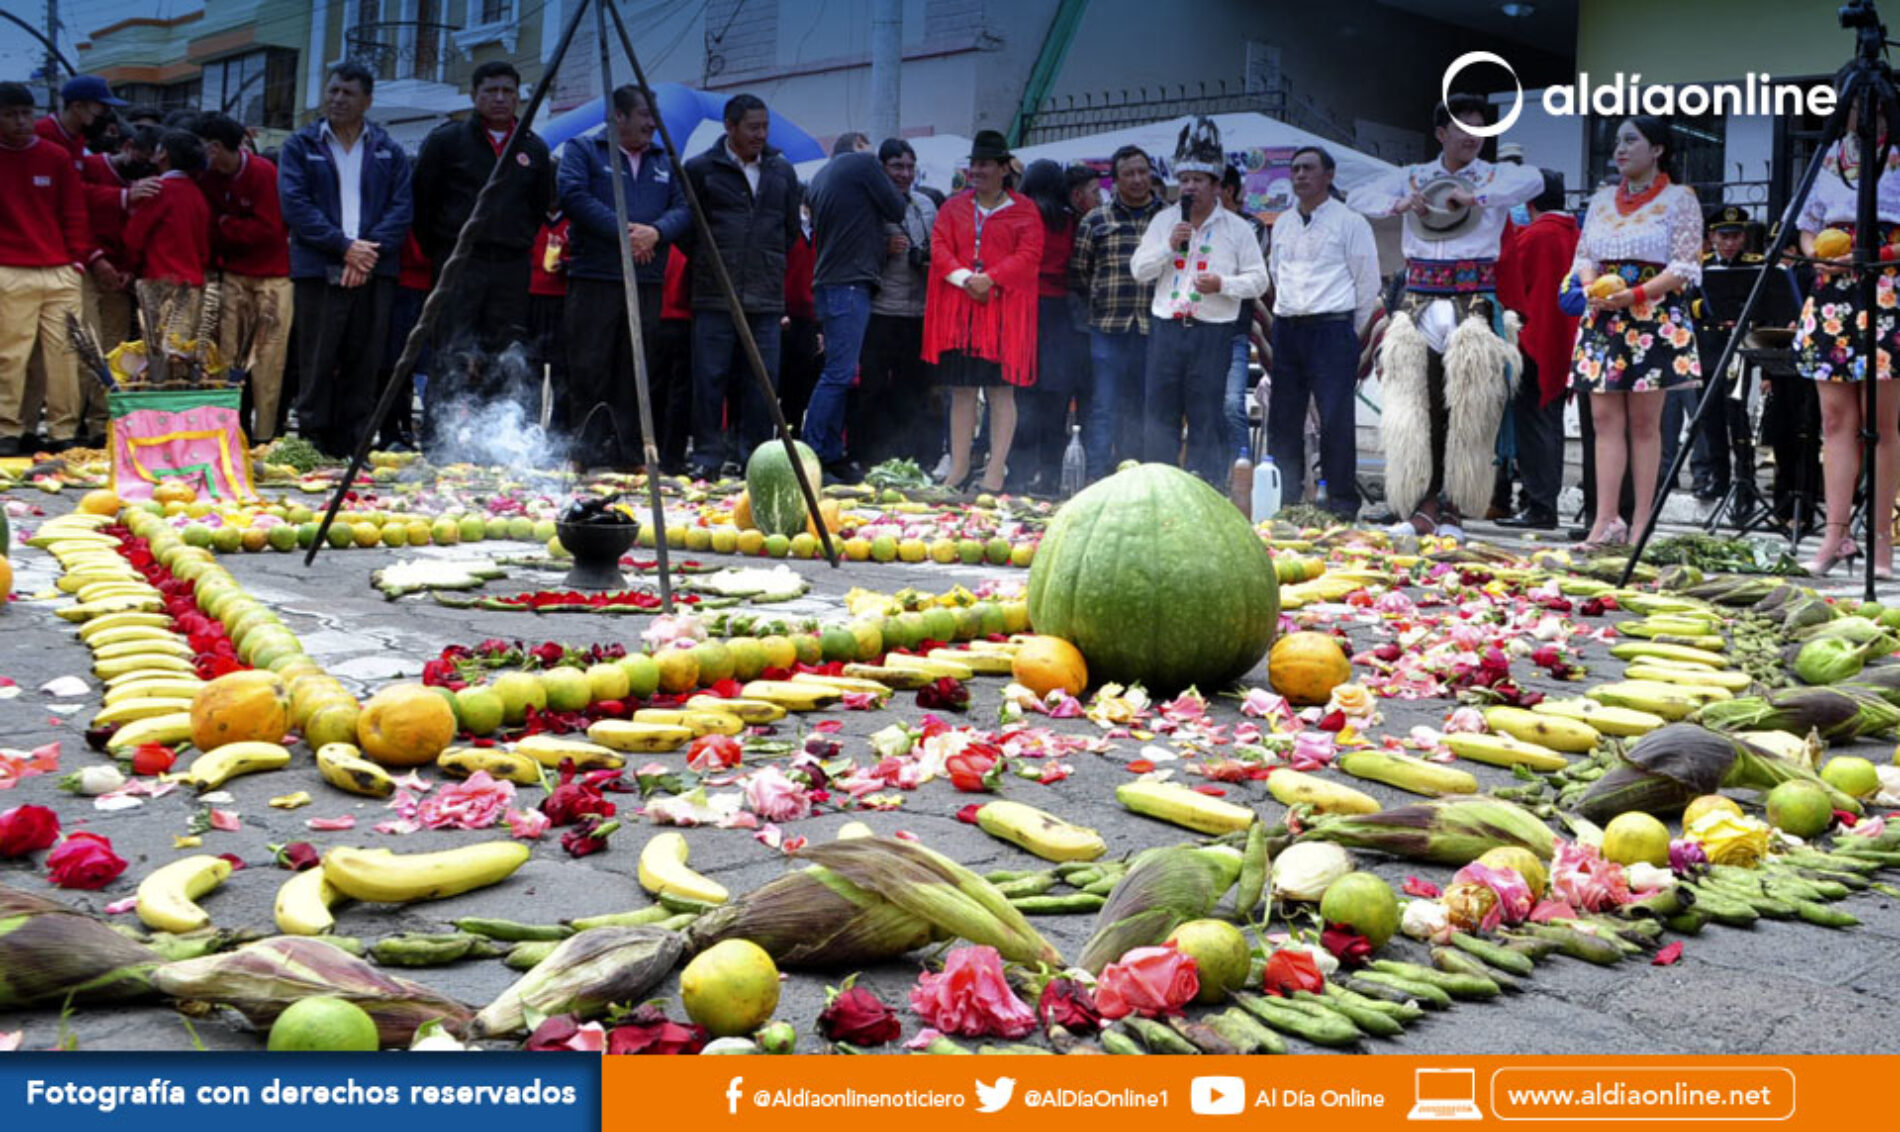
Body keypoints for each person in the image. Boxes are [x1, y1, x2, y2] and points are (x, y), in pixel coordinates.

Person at [1351, 94, 1542, 541]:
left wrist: (1474, 197)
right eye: (1462, 128)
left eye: (1479, 129)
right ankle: (1424, 505)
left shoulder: (1493, 176)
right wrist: (1400, 204)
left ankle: (1455, 509)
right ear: (1441, 133)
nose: (1472, 137)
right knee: (1418, 409)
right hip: (1419, 301)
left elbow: (1533, 180)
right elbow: (1358, 194)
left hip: (1472, 302)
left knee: (1470, 412)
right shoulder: (1415, 176)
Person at [1568, 116, 1703, 551]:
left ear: (1658, 149)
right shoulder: (1602, 200)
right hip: (1605, 313)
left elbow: (1684, 266)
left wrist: (1637, 294)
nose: (1620, 150)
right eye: (1616, 142)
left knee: (1645, 423)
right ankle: (1606, 520)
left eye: (1631, 140)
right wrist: (1592, 287)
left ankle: (1642, 521)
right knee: (1603, 420)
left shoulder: (1680, 198)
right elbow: (1584, 256)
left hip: (1652, 314)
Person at [278, 62, 415, 458]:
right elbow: (296, 205)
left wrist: (364, 253)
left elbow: (401, 209)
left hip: (374, 269)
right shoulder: (301, 145)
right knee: (317, 359)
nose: (337, 99)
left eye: (348, 93)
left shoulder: (388, 150)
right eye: (333, 91)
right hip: (319, 268)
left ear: (367, 101)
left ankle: (354, 447)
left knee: (365, 360)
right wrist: (343, 247)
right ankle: (312, 446)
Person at [412, 61, 551, 446]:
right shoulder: (447, 141)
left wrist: (513, 237)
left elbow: (539, 205)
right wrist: (444, 248)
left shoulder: (533, 148)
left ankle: (491, 444)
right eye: (491, 90)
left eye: (508, 91)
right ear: (474, 95)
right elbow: (422, 200)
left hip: (510, 266)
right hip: (459, 263)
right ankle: (439, 442)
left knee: (503, 354)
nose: (500, 98)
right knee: (451, 351)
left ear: (518, 96)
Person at [558, 83, 691, 471]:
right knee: (589, 366)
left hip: (646, 279)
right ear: (619, 116)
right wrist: (625, 232)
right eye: (645, 115)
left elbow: (684, 209)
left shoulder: (665, 159)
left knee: (635, 368)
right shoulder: (583, 149)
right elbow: (574, 195)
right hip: (596, 277)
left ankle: (630, 455)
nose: (652, 124)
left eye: (654, 116)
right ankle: (581, 453)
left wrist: (656, 233)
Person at [1131, 117, 1270, 486]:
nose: (1189, 186)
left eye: (1198, 179)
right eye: (1184, 179)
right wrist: (1168, 247)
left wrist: (1223, 283)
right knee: (1159, 412)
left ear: (1217, 186)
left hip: (1213, 332)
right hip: (1167, 329)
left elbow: (1260, 280)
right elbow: (1139, 270)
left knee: (1207, 414)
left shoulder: (1238, 228)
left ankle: (1204, 486)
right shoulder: (1164, 221)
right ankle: (1157, 485)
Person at [1794, 111, 1900, 576]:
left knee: (1882, 423)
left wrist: (1873, 254)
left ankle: (1881, 539)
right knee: (1835, 420)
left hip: (1886, 283)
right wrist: (1816, 254)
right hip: (1833, 290)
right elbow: (1806, 226)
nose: (1864, 112)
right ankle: (1836, 533)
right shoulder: (1829, 158)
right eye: (1855, 104)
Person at [683, 94, 802, 479]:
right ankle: (707, 457)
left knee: (762, 381)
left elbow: (788, 231)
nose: (760, 134)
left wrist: (766, 259)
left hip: (765, 294)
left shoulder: (782, 171)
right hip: (714, 292)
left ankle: (754, 458)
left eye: (765, 126)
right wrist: (713, 261)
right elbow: (687, 230)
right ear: (729, 127)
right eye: (753, 127)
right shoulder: (701, 169)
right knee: (710, 378)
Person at [922, 129, 1043, 493]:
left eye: (985, 164)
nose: (976, 171)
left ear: (1004, 169)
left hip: (1002, 316)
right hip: (962, 315)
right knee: (961, 390)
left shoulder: (1024, 210)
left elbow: (1029, 254)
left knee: (1000, 392)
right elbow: (939, 246)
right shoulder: (953, 207)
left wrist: (990, 278)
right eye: (973, 164)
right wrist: (965, 279)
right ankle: (958, 468)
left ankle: (995, 471)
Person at [1264, 144, 1380, 516]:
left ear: (1329, 176)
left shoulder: (1350, 222)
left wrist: (1349, 333)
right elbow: (1276, 274)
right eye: (1295, 169)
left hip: (1332, 328)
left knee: (1335, 419)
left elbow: (1367, 285)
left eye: (1308, 168)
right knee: (1283, 419)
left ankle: (1341, 503)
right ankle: (1284, 500)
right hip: (1288, 328)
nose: (1300, 175)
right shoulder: (1282, 223)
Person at [803, 130, 907, 482]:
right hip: (849, 282)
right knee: (839, 373)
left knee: (839, 372)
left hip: (830, 281)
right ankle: (813, 454)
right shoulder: (860, 164)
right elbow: (897, 207)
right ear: (856, 150)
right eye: (871, 153)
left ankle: (831, 454)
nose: (877, 162)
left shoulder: (822, 176)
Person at [0, 82, 97, 456]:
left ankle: (63, 430)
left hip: (60, 270)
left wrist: (77, 261)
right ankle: (8, 429)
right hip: (9, 269)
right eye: (10, 115)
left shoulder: (55, 156)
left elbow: (74, 211)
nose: (20, 121)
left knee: (66, 354)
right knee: (10, 356)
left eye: (26, 113)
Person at [1071, 143, 1167, 479]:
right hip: (1107, 328)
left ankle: (1139, 478)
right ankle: (1096, 478)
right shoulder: (1095, 219)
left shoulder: (1168, 218)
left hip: (1155, 329)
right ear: (1115, 180)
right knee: (1104, 406)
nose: (1137, 179)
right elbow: (1080, 272)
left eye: (1143, 172)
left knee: (1146, 408)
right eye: (1129, 174)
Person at [196, 112, 293, 443]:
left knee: (269, 360)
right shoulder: (207, 177)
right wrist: (228, 228)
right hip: (233, 275)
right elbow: (206, 225)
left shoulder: (263, 173)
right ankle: (227, 432)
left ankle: (265, 436)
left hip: (273, 277)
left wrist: (225, 226)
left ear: (215, 147)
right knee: (227, 358)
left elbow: (269, 230)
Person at [1494, 170, 1579, 530]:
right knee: (1550, 424)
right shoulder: (1573, 232)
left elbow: (1510, 285)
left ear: (1529, 199)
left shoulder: (1536, 236)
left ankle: (1540, 504)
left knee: (1534, 425)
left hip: (1535, 338)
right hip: (1565, 338)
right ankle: (1541, 502)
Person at [855, 137, 939, 468]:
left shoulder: (925, 205)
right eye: (897, 166)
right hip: (880, 310)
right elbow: (853, 251)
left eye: (909, 167)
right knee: (873, 387)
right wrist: (883, 248)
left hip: (918, 311)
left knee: (912, 389)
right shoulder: (868, 204)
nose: (904, 173)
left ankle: (907, 458)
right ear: (881, 168)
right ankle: (867, 456)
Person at [1010, 160, 1091, 494]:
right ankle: (1051, 475)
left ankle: (1018, 474)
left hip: (1023, 311)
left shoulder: (1018, 217)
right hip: (1061, 314)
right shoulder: (1071, 221)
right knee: (1056, 398)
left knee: (1022, 396)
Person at [75, 124, 156, 442]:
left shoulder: (153, 179)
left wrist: (130, 270)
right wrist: (96, 258)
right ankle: (73, 421)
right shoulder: (92, 167)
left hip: (121, 276)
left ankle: (102, 422)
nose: (146, 167)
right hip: (88, 266)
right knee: (84, 346)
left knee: (115, 351)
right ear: (127, 146)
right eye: (142, 157)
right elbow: (75, 212)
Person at [1687, 204, 1766, 522]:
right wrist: (1710, 310)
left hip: (1739, 350)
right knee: (1710, 418)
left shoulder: (1755, 265)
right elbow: (1687, 303)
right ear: (1712, 237)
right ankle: (1717, 478)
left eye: (1735, 236)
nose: (1730, 243)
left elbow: (1767, 303)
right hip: (1708, 348)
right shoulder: (1701, 266)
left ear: (1744, 238)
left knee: (1738, 418)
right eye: (1724, 236)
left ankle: (1745, 484)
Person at [122, 129, 212, 376]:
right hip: (193, 284)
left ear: (163, 155)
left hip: (160, 283)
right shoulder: (197, 194)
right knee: (182, 353)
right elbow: (204, 248)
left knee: (158, 357)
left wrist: (130, 268)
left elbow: (133, 238)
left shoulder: (158, 190)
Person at [1220, 162, 1272, 456]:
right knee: (1202, 408)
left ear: (1226, 190)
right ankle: (1209, 472)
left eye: (1207, 184)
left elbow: (1249, 275)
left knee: (1231, 405)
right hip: (1195, 328)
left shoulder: (1253, 226)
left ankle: (1243, 472)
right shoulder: (1192, 225)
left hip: (1235, 330)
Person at [38, 75, 125, 171]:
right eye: (102, 111)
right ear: (77, 106)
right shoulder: (41, 134)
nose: (104, 118)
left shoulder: (77, 136)